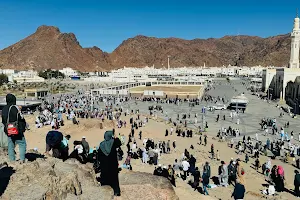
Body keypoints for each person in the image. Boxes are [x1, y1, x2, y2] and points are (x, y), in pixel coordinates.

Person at [1, 94, 27, 162]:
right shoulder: (15, 108)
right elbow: (21, 118)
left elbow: (3, 121)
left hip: (8, 130)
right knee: (22, 143)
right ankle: (22, 159)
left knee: (10, 144)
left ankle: (12, 160)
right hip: (17, 130)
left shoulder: (3, 109)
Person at [98, 130, 122, 196]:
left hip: (104, 166)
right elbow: (120, 143)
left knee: (105, 178)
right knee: (114, 178)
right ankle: (116, 192)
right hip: (113, 165)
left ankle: (105, 192)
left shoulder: (101, 144)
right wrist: (115, 137)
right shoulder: (114, 142)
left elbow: (99, 156)